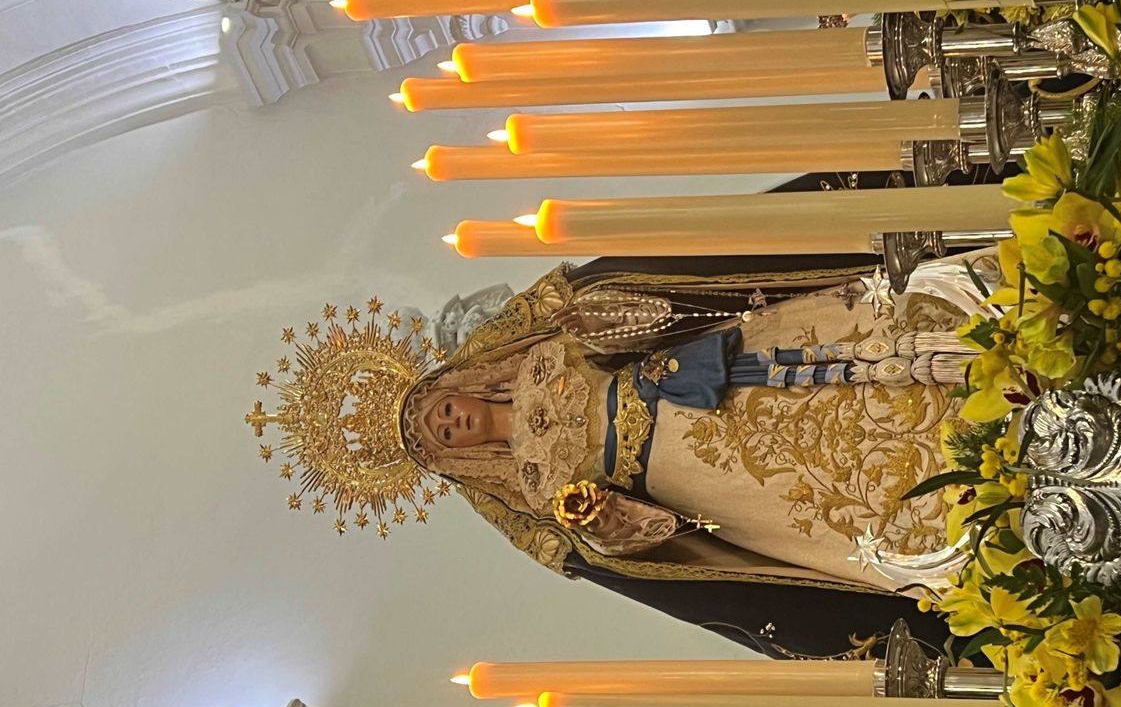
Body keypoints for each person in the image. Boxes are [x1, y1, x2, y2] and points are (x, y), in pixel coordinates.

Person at [249, 248, 994, 658]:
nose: (451, 425)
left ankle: (972, 356)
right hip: (703, 481)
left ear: (454, 386)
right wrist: (603, 521)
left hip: (708, 378)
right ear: (449, 461)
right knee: (841, 494)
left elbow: (629, 301)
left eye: (441, 411)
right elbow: (628, 559)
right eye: (440, 438)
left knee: (860, 365)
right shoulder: (518, 501)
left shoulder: (522, 346)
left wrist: (607, 326)